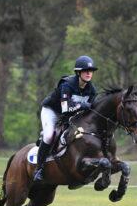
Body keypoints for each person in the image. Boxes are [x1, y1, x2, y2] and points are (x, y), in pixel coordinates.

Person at [33, 55, 99, 183]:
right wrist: (81, 105)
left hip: (70, 116)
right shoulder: (67, 84)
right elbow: (65, 109)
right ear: (78, 72)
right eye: (85, 71)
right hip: (52, 111)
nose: (88, 73)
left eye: (90, 71)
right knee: (48, 135)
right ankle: (39, 169)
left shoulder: (92, 89)